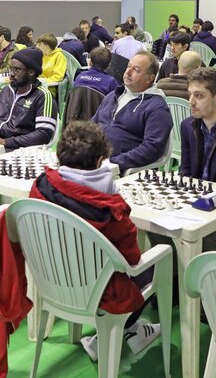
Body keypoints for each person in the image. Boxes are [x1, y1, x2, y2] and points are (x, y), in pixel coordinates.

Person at [29, 120, 161, 360]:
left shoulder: (40, 186)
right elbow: (132, 258)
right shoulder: (111, 209)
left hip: (52, 280)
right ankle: (122, 331)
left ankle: (128, 331)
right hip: (95, 290)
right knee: (154, 267)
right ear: (100, 161)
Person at [0, 48, 57, 215]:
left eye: (16, 70)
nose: (11, 74)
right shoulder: (6, 91)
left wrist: (6, 142)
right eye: (10, 69)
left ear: (31, 72)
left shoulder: (42, 96)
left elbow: (44, 134)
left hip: (18, 151)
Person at [92, 51, 173, 174]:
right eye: (129, 66)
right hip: (92, 159)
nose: (128, 72)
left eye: (136, 69)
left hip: (116, 169)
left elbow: (152, 148)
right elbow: (90, 126)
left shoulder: (157, 107)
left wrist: (113, 162)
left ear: (150, 78)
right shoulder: (113, 95)